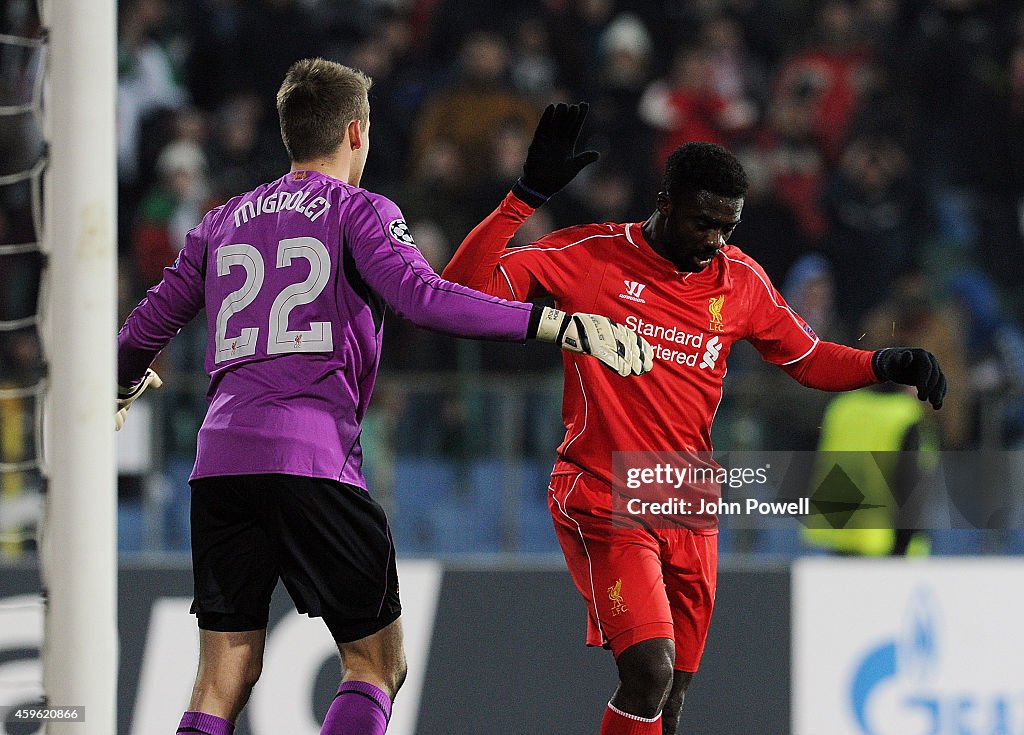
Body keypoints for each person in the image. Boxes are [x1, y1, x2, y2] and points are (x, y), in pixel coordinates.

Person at [114, 61, 653, 735]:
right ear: (355, 132)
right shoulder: (360, 209)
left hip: (220, 463)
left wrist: (121, 383)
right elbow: (423, 297)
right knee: (376, 661)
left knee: (223, 672)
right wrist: (557, 323)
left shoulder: (222, 220)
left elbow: (144, 326)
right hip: (312, 456)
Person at [441, 102, 947, 735]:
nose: (715, 241)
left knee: (671, 702)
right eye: (703, 222)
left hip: (689, 504)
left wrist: (884, 362)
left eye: (727, 227)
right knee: (647, 673)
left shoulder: (741, 281)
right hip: (605, 491)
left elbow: (809, 358)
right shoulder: (591, 256)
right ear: (665, 201)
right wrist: (522, 200)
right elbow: (457, 293)